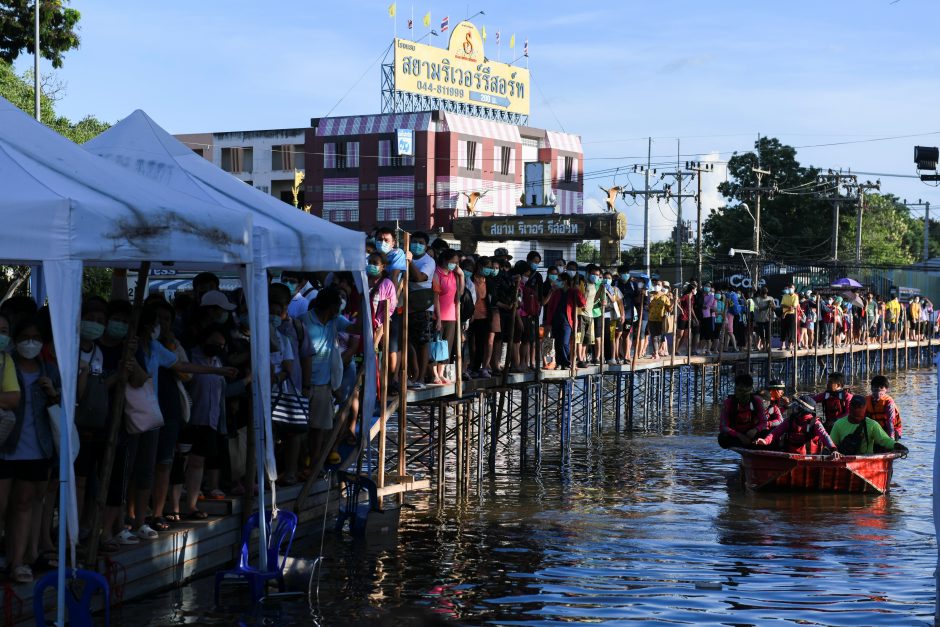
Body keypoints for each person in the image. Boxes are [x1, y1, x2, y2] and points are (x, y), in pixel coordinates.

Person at [755, 396, 837, 456]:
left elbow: (825, 436)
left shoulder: (815, 423)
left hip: (810, 459)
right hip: (791, 458)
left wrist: (833, 449)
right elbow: (776, 432)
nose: (794, 409)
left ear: (804, 410)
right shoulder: (790, 421)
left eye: (796, 407)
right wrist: (765, 441)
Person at [830, 396, 908, 456]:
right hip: (844, 458)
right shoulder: (839, 424)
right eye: (854, 406)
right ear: (850, 407)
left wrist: (897, 445)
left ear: (864, 408)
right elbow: (831, 444)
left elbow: (885, 440)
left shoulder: (872, 425)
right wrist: (833, 452)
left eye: (859, 407)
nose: (856, 409)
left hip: (865, 459)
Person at [406, 232, 435, 389]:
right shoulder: (404, 257)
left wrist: (409, 262)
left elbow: (419, 277)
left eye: (420, 242)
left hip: (423, 307)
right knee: (409, 342)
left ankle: (421, 378)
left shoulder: (428, 261)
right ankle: (412, 373)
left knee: (423, 343)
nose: (417, 245)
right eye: (414, 242)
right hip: (406, 305)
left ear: (426, 245)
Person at [431, 249, 462, 385]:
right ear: (445, 260)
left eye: (456, 262)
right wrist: (438, 318)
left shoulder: (453, 274)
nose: (454, 264)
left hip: (451, 316)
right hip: (438, 315)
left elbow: (459, 294)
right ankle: (434, 375)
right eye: (452, 262)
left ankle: (441, 373)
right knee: (435, 345)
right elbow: (435, 297)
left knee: (446, 347)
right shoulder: (436, 273)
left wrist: (461, 276)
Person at [717, 373, 767, 449]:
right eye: (740, 389)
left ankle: (757, 447)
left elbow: (764, 422)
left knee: (768, 434)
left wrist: (755, 430)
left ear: (750, 389)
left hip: (752, 434)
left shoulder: (757, 401)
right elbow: (723, 427)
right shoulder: (728, 402)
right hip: (737, 435)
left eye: (745, 389)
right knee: (722, 438)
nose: (742, 393)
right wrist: (739, 435)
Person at [865, 374, 901, 440]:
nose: (878, 392)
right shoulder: (866, 400)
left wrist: (891, 440)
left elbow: (890, 422)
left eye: (881, 388)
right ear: (871, 388)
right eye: (875, 388)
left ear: (886, 389)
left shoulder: (889, 402)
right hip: (874, 428)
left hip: (889, 429)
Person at [780, 284, 799, 351]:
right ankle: (783, 345)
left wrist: (785, 311)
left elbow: (793, 307)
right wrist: (788, 307)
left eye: (792, 288)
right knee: (783, 329)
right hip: (784, 315)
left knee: (791, 330)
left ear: (794, 289)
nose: (790, 289)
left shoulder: (796, 296)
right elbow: (781, 305)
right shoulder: (785, 296)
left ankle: (790, 345)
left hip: (791, 315)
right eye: (790, 288)